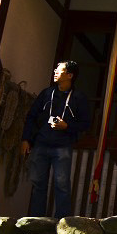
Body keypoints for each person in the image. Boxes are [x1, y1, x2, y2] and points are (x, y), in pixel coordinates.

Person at [20, 61, 92, 218]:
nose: (55, 72)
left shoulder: (78, 98)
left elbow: (86, 124)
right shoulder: (46, 93)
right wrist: (25, 139)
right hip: (40, 144)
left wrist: (67, 126)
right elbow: (31, 116)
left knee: (62, 185)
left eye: (59, 70)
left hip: (63, 146)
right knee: (38, 184)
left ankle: (62, 222)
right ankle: (36, 220)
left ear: (70, 75)